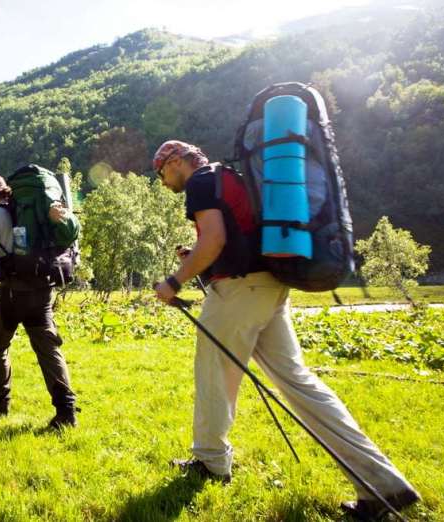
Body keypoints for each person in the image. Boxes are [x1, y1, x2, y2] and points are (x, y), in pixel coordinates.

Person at [151, 140, 419, 520]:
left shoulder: (201, 181)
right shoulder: (232, 176)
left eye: (161, 172)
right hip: (271, 287)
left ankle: (211, 463)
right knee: (299, 383)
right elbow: (230, 236)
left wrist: (174, 281)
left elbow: (214, 239)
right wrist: (198, 258)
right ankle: (384, 483)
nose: (163, 181)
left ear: (176, 161)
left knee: (214, 376)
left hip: (239, 292)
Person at [0, 174, 77, 430]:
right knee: (48, 349)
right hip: (41, 289)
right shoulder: (27, 210)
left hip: (13, 292)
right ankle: (66, 412)